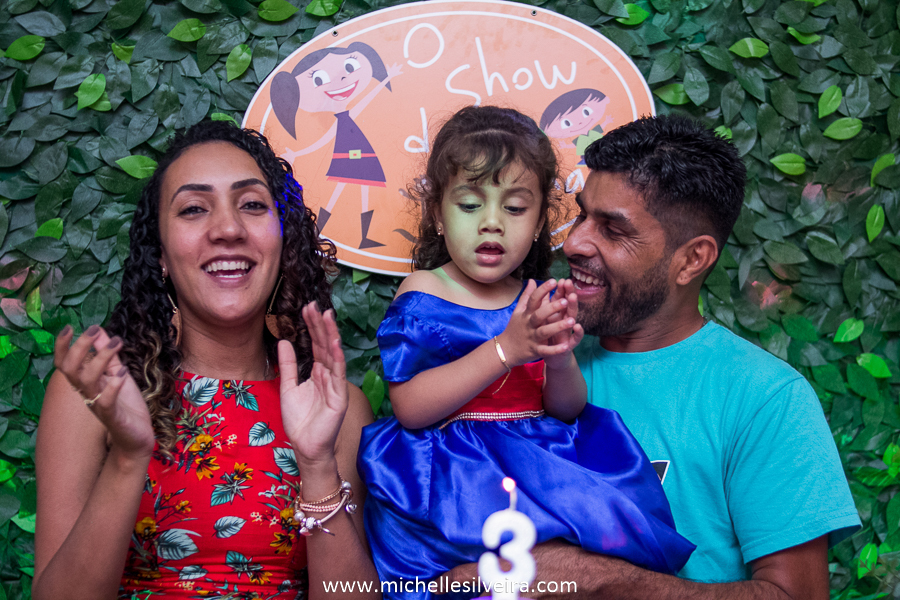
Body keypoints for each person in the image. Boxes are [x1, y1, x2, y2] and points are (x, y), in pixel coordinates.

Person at [441, 114, 860, 597]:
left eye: (613, 230)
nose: (574, 242)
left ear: (692, 259)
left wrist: (603, 581)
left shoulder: (765, 398)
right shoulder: (517, 360)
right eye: (582, 216)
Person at [358, 106, 695, 600]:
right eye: (470, 205)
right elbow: (409, 408)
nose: (492, 224)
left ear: (540, 222)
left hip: (537, 468)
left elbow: (567, 409)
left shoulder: (538, 297)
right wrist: (505, 349)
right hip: (455, 475)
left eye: (515, 209)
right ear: (437, 213)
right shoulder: (426, 290)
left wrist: (557, 360)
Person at [33, 121, 379, 599]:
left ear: (284, 243)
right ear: (160, 256)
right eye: (194, 209)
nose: (229, 229)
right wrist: (130, 458)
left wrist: (318, 465)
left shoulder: (336, 406)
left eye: (253, 205)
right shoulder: (95, 396)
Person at [272, 42, 403, 248]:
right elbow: (322, 141)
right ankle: (316, 233)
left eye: (349, 67)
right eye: (318, 80)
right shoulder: (339, 122)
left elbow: (366, 100)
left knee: (365, 194)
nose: (340, 79)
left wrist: (387, 78)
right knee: (336, 194)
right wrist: (297, 153)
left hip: (361, 155)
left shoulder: (348, 115)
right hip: (347, 156)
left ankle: (364, 237)